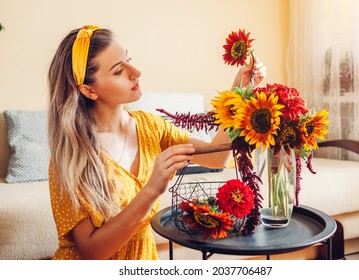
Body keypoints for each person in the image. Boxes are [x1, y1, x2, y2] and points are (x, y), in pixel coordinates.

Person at [47, 25, 266, 260]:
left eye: (128, 59)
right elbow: (94, 253)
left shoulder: (151, 127)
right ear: (89, 90)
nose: (136, 72)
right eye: (119, 70)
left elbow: (216, 157)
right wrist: (152, 189)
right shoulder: (69, 159)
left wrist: (239, 93)